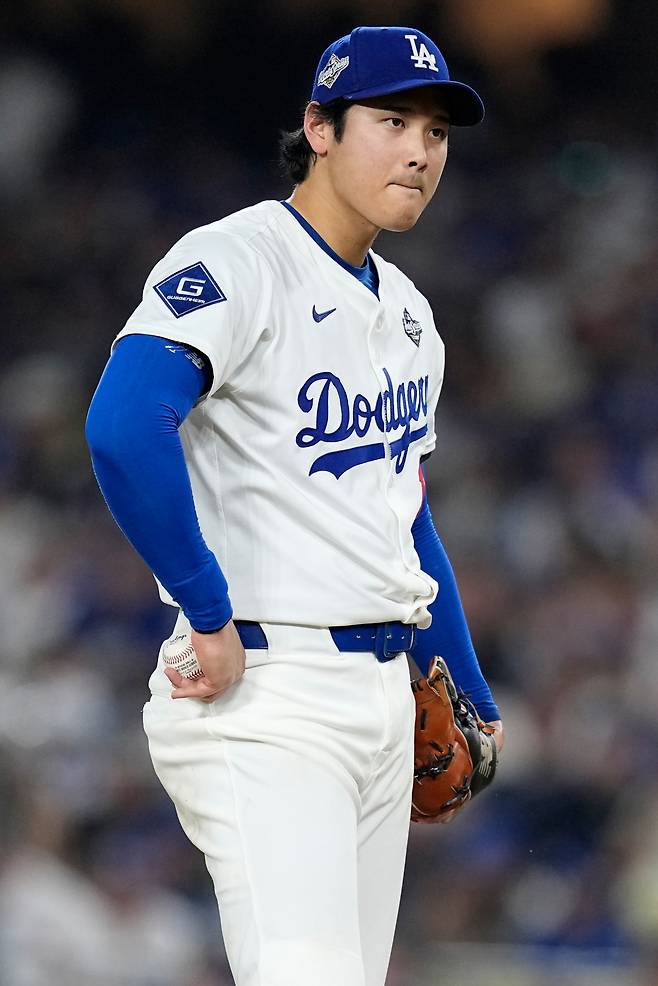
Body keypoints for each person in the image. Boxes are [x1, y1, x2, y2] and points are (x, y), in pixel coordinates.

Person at [86, 25, 503, 986]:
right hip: (266, 692)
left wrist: (473, 696)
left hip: (381, 697)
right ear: (319, 128)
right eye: (392, 121)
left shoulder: (410, 315)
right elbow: (123, 424)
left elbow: (405, 521)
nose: (419, 151)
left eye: (437, 132)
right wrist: (207, 611)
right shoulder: (239, 260)